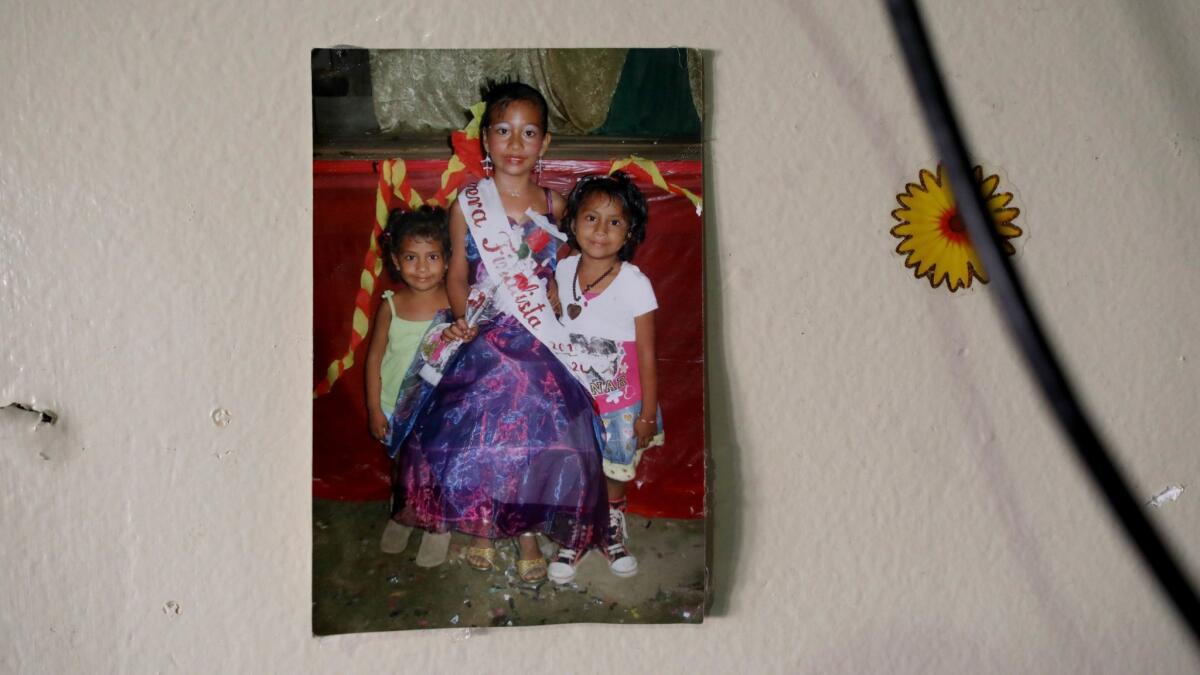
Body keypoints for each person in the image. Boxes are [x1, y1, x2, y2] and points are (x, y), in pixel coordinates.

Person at [396, 80, 609, 584]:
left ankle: (528, 530)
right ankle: (483, 523)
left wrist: (556, 292)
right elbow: (455, 273)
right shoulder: (466, 204)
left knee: (539, 418)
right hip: (482, 328)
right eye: (504, 131)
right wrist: (461, 318)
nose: (515, 144)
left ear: (545, 143)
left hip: (537, 334)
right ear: (486, 139)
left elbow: (564, 263)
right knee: (481, 428)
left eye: (529, 133)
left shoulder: (557, 205)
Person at [553, 172, 662, 580]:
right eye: (591, 218)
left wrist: (647, 414)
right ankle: (577, 530)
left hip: (621, 404)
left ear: (630, 231)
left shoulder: (635, 284)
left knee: (613, 472)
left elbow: (649, 355)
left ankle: (611, 528)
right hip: (574, 402)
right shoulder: (562, 271)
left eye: (615, 221)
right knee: (576, 468)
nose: (601, 230)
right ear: (574, 222)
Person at [364, 205, 453, 567]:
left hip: (441, 409)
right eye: (411, 257)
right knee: (404, 467)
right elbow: (374, 360)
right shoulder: (391, 305)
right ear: (397, 263)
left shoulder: (455, 302)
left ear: (448, 260)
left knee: (438, 469)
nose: (422, 266)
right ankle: (404, 515)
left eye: (432, 256)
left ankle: (438, 526)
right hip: (395, 406)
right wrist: (374, 408)